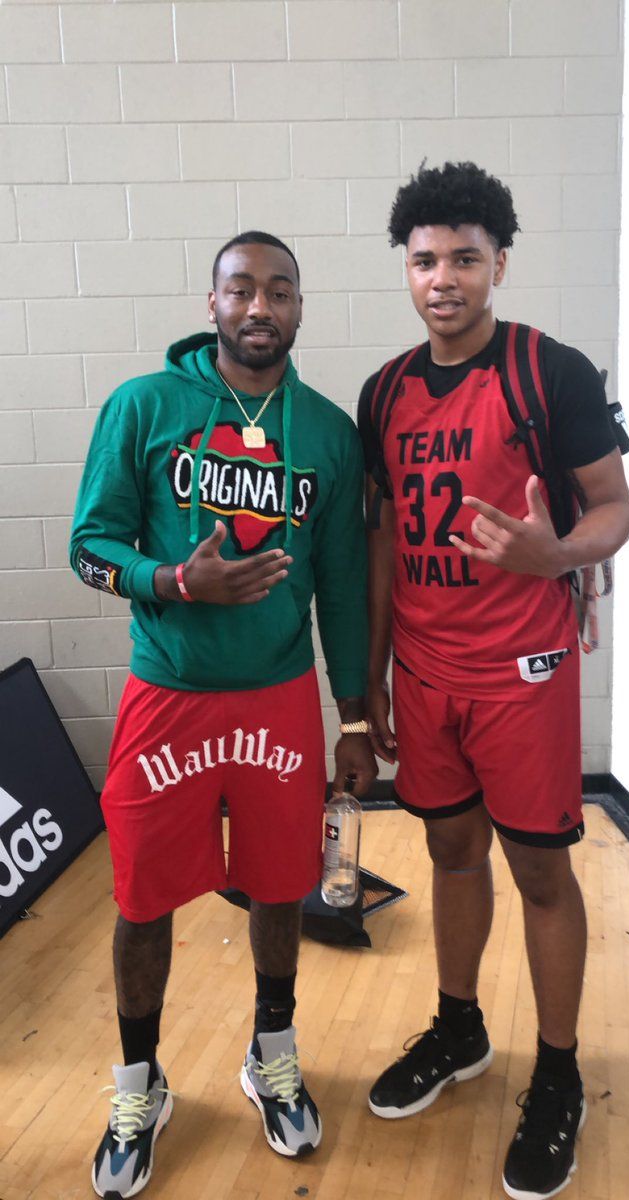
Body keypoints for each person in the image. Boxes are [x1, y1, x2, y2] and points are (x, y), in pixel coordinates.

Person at [70, 231, 376, 1198]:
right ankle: (138, 1084)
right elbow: (88, 546)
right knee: (141, 897)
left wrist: (356, 719)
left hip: (279, 699)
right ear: (211, 304)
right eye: (241, 289)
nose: (259, 307)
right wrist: (171, 580)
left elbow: (338, 584)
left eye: (278, 291)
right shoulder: (145, 407)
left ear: (298, 308)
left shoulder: (325, 432)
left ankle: (270, 1054)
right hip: (168, 695)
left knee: (282, 886)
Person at [358, 163, 629, 1200]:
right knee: (449, 852)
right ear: (408, 270)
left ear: (499, 263)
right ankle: (460, 1028)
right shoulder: (382, 390)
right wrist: (371, 679)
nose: (443, 278)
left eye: (465, 258)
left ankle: (556, 1071)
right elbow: (383, 540)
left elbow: (614, 511)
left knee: (543, 875)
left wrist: (553, 554)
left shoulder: (549, 372)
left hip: (524, 673)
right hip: (425, 676)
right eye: (425, 260)